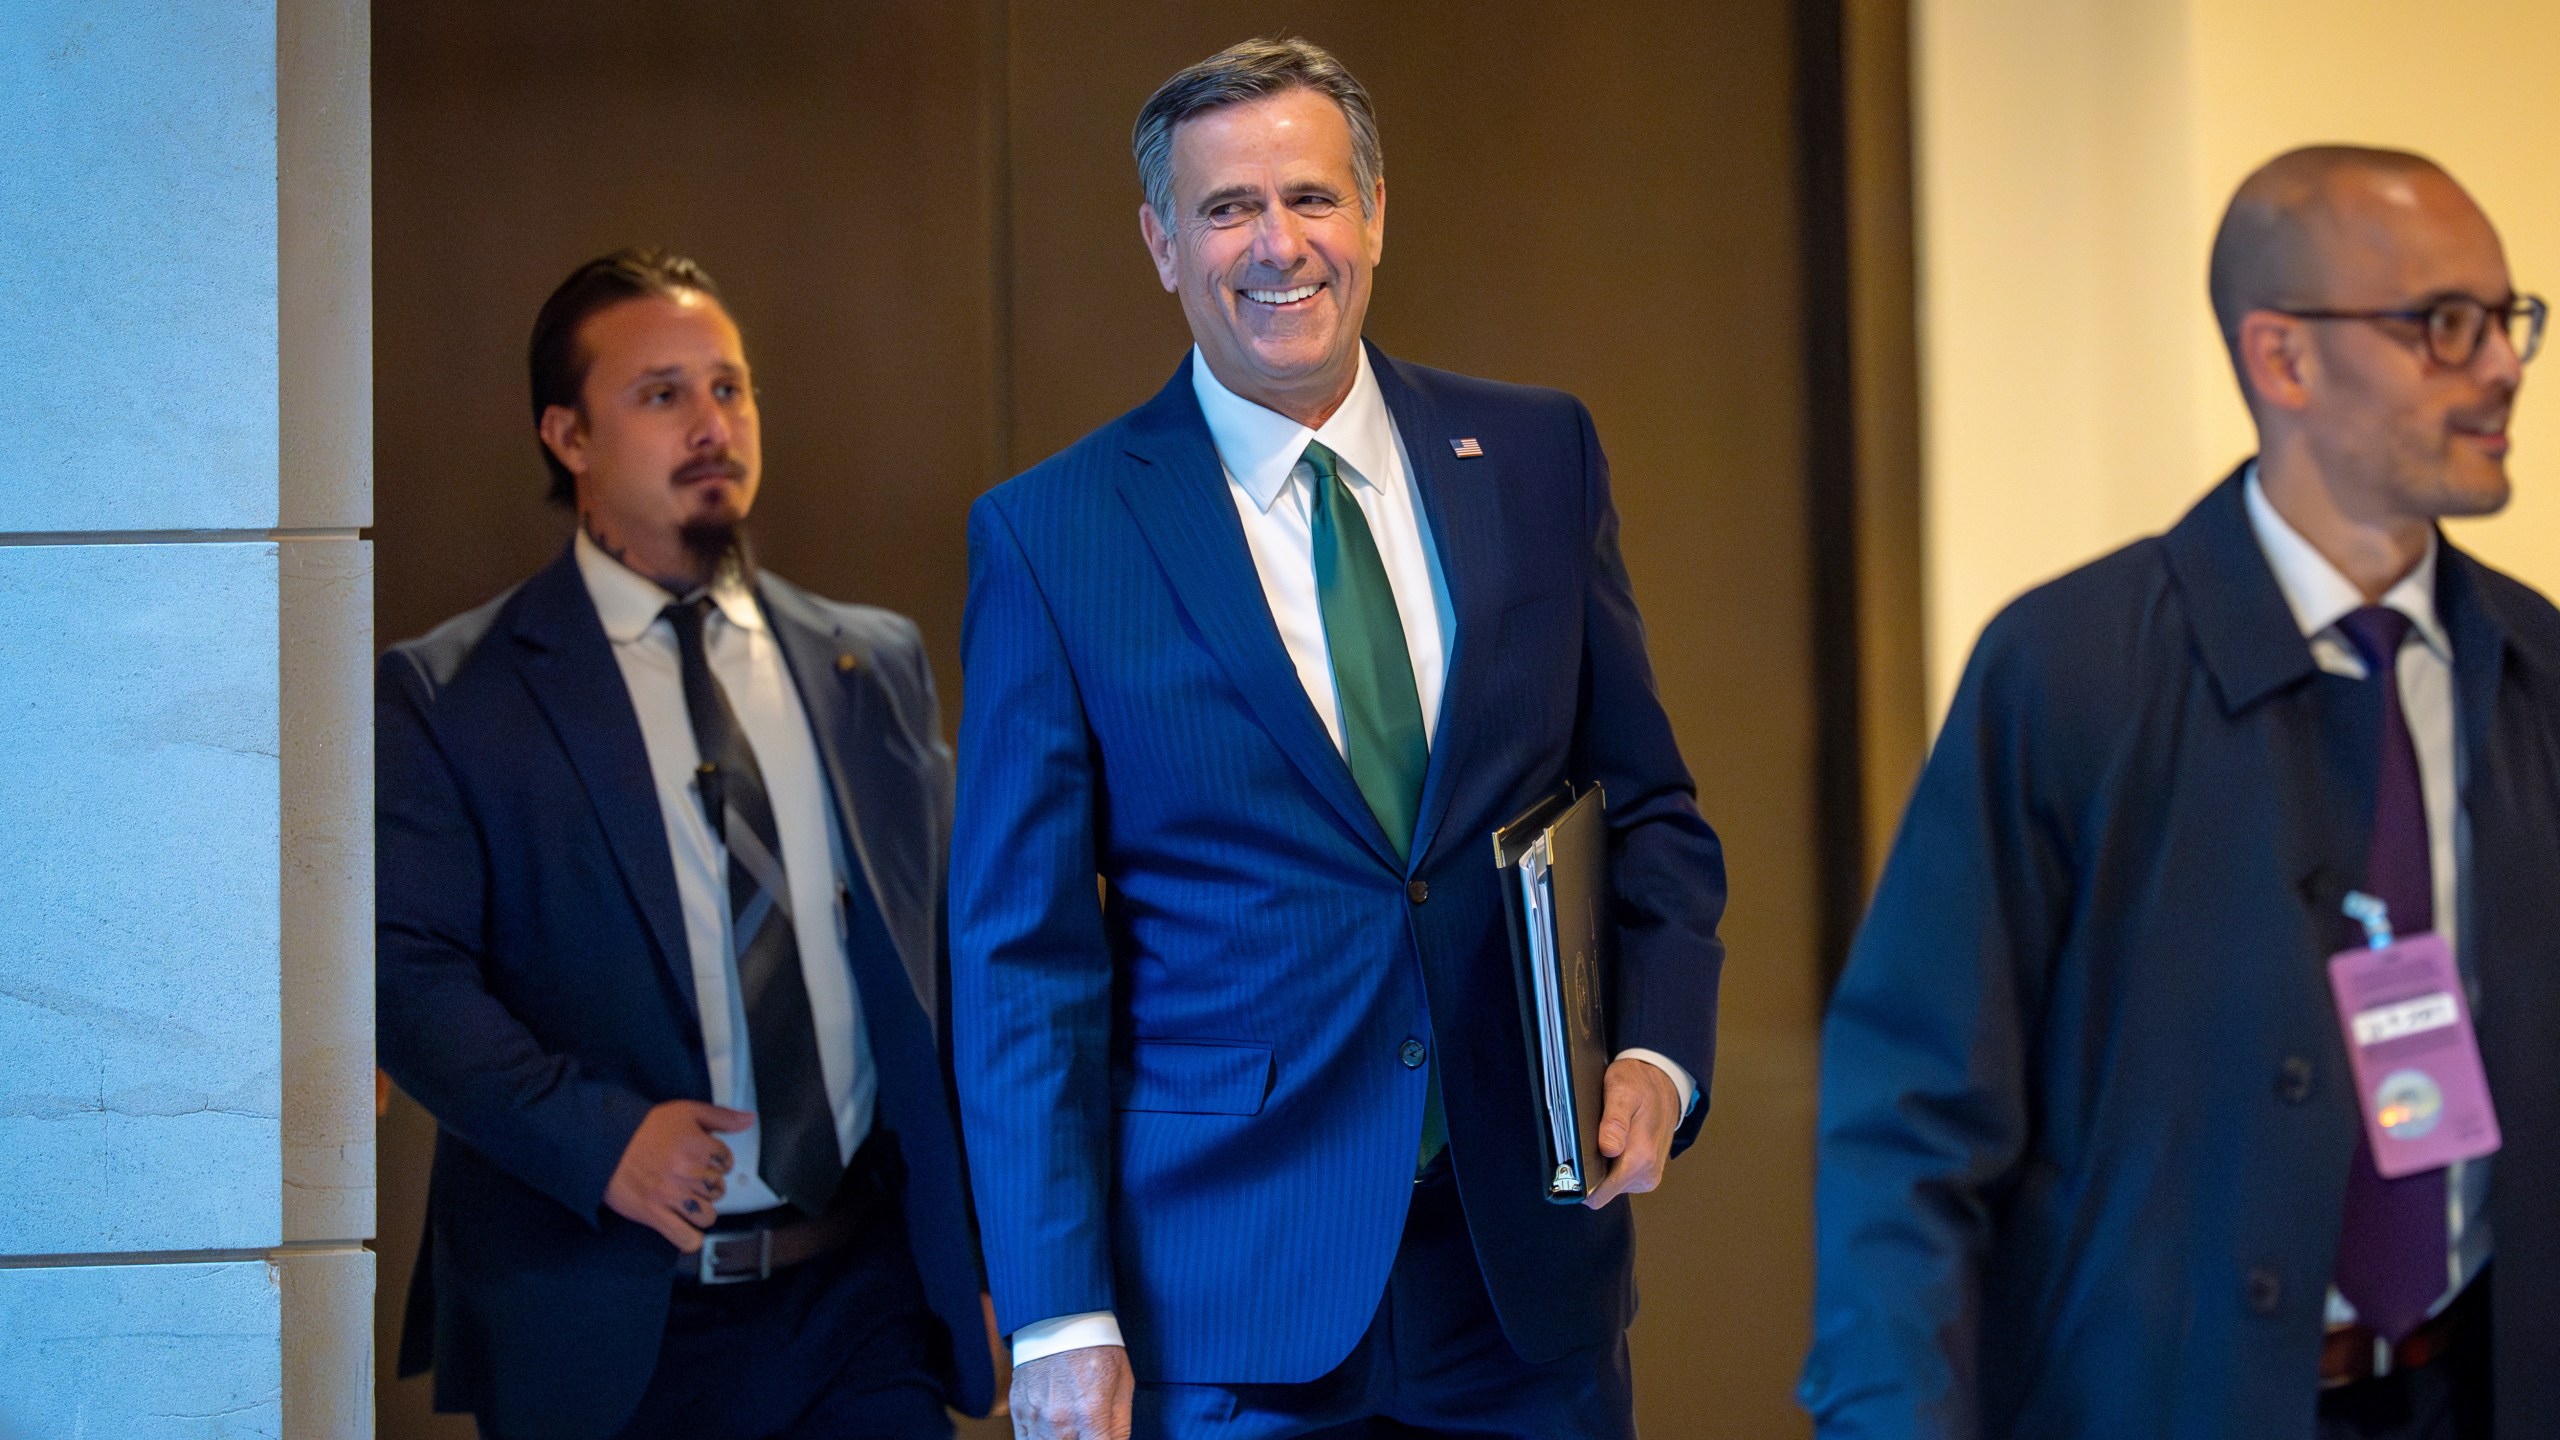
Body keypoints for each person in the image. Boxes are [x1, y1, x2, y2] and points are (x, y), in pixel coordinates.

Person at [949, 36, 1728, 1440]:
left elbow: (1649, 804)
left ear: (1375, 214)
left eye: (1311, 197)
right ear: (1161, 244)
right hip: (1230, 1311)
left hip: (1527, 1289)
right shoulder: (1052, 536)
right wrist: (1061, 1314)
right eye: (1227, 208)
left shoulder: (1539, 457)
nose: (1278, 244)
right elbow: (1023, 963)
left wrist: (1660, 1052)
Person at [1802, 147, 2560, 1439]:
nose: (2500, 367)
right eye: (2442, 324)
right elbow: (1915, 1120)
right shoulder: (2071, 670)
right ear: (2285, 360)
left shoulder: (2537, 668)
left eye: (2508, 320)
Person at [377, 249, 994, 1440]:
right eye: (661, 394)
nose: (712, 424)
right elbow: (408, 980)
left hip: (858, 1303)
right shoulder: (454, 694)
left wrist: (981, 1250)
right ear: (567, 435)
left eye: (730, 388)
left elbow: (948, 969)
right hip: (609, 1321)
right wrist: (601, 1138)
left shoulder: (868, 663)